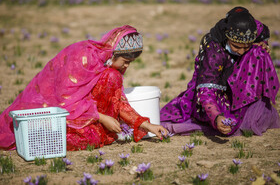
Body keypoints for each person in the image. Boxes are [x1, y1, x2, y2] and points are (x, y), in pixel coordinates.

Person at [0, 25, 168, 151]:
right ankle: (37, 137)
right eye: (125, 61)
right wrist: (102, 118)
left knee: (112, 79)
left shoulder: (108, 68)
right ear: (114, 53)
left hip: (86, 114)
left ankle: (94, 130)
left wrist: (147, 125)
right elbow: (65, 99)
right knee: (81, 138)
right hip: (56, 107)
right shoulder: (82, 57)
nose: (126, 67)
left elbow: (119, 101)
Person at [160, 7, 280, 136]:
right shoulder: (214, 52)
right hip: (213, 89)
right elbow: (206, 91)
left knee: (259, 52)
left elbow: (263, 31)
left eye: (246, 46)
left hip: (236, 78)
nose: (241, 51)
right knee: (221, 115)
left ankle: (247, 99)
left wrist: (262, 43)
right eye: (236, 46)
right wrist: (216, 117)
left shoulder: (251, 29)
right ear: (227, 37)